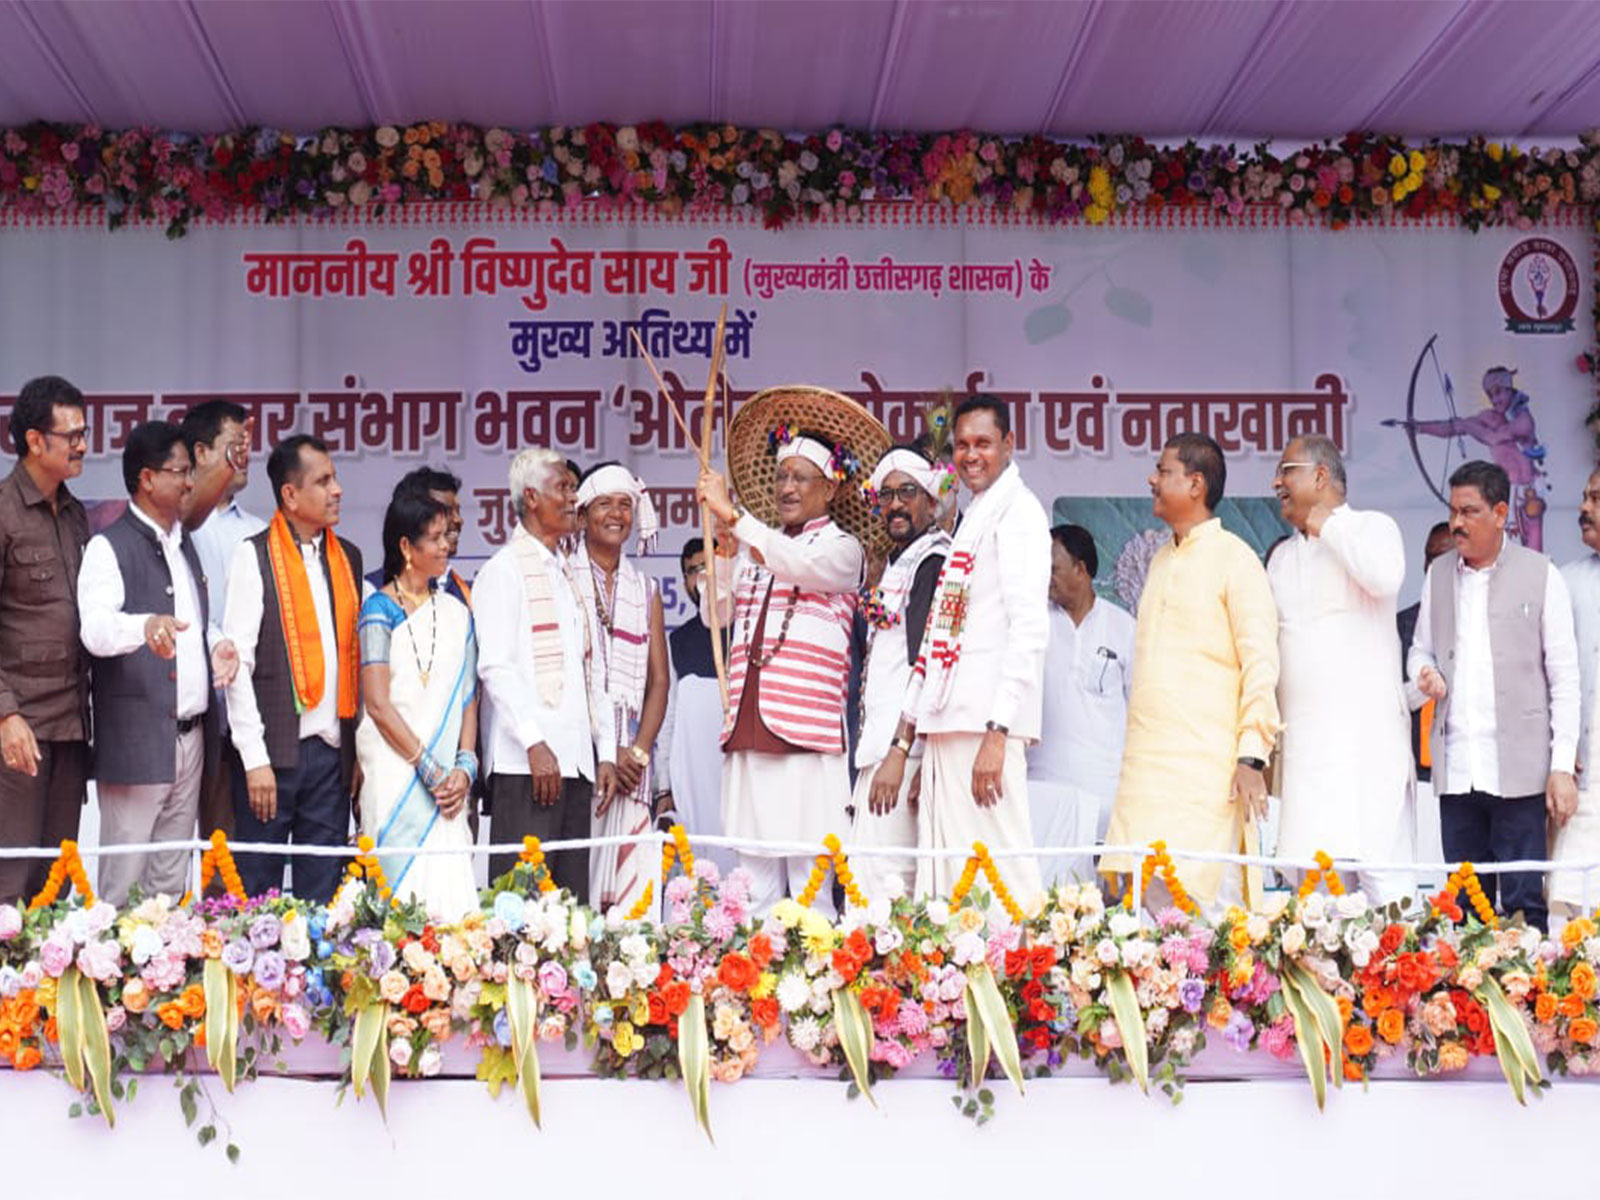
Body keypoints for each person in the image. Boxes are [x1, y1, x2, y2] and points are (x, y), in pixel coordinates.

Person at [1102, 432, 1281, 910]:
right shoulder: (1162, 558)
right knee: (1144, 924)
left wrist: (1251, 758)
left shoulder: (1236, 559)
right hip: (1146, 774)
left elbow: (1261, 664)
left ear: (1196, 484)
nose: (1152, 479)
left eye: (1163, 471)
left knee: (1206, 921)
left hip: (1206, 778)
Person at [697, 426, 864, 915]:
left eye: (801, 478)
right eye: (782, 476)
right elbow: (716, 615)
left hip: (806, 743)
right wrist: (722, 551)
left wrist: (736, 519)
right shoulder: (756, 549)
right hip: (751, 736)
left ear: (830, 488)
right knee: (756, 897)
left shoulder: (841, 548)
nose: (787, 488)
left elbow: (797, 564)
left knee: (812, 899)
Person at [892, 395, 1049, 906]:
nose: (971, 455)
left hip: (984, 727)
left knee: (1000, 878)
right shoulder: (979, 516)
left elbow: (1029, 629)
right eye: (961, 445)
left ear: (1009, 444)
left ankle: (1020, 979)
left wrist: (998, 732)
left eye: (983, 443)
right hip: (950, 723)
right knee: (951, 882)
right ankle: (960, 985)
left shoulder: (1018, 512)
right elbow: (943, 632)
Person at [1409, 460, 1578, 932]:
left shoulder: (1541, 575)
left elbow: (1564, 678)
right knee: (1463, 909)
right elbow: (1421, 646)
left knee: (1526, 907)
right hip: (1458, 770)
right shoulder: (1439, 574)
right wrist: (1423, 670)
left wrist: (1561, 766)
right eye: (1453, 511)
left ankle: (1529, 1005)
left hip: (1520, 775)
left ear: (1501, 512)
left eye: (1470, 511)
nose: (1457, 523)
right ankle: (1472, 1005)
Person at [78, 421, 239, 904]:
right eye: (181, 472)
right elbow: (95, 629)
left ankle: (164, 981)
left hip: (191, 740)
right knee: (124, 887)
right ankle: (109, 981)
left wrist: (216, 647)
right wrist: (143, 627)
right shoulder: (109, 547)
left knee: (170, 883)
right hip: (136, 741)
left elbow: (194, 624)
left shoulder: (182, 542)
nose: (190, 483)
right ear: (147, 478)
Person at [1267, 435, 1413, 904]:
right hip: (1308, 757)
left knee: (1388, 897)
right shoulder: (1283, 558)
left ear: (1320, 476)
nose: (1277, 483)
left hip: (1367, 754)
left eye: (1286, 470)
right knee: (1316, 905)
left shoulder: (1372, 528)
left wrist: (1325, 524)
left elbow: (1383, 577)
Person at [224, 435, 364, 902]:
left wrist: (357, 751)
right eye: (323, 481)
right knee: (257, 897)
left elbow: (354, 660)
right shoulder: (254, 554)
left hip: (330, 756)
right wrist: (255, 758)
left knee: (322, 898)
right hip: (272, 758)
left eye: (336, 478)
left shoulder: (348, 558)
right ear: (289, 495)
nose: (337, 489)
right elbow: (238, 665)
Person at [474, 447, 613, 895]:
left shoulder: (569, 574)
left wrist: (604, 750)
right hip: (526, 763)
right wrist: (534, 741)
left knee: (570, 908)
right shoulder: (504, 570)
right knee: (520, 908)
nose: (574, 498)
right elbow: (495, 667)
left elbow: (592, 669)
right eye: (563, 488)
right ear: (531, 498)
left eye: (573, 488)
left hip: (573, 761)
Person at [355, 491, 479, 920]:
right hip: (396, 778)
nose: (445, 546)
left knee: (453, 919)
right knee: (397, 922)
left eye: (446, 536)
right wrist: (427, 768)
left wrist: (464, 768)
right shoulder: (378, 609)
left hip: (449, 788)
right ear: (406, 547)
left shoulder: (457, 613)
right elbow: (377, 703)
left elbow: (467, 699)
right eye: (434, 538)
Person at [0, 377, 91, 903]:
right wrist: (6, 716)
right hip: (19, 730)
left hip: (71, 729)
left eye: (83, 432)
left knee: (54, 887)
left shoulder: (76, 514)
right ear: (36, 441)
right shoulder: (5, 511)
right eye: (71, 434)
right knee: (9, 884)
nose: (82, 444)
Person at [854, 445, 951, 899]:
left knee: (891, 891)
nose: (894, 504)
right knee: (869, 886)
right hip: (881, 750)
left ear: (931, 501)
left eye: (907, 492)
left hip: (903, 754)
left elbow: (928, 665)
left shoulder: (933, 561)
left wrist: (906, 755)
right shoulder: (899, 562)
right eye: (886, 494)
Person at [572, 463, 668, 912]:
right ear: (583, 512)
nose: (616, 514)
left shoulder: (644, 588)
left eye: (625, 505)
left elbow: (659, 681)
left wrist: (640, 751)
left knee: (632, 913)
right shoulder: (564, 578)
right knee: (577, 899)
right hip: (581, 760)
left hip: (632, 767)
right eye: (605, 504)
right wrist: (603, 752)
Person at [1026, 523, 1134, 888]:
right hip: (1042, 791)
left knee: (1100, 907)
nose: (1047, 577)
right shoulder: (1033, 625)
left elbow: (1139, 711)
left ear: (1082, 569)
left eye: (1053, 567)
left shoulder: (1123, 628)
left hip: (1105, 794)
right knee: (1042, 901)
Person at [179, 399, 261, 847]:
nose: (243, 457)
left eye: (246, 447)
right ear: (201, 452)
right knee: (166, 850)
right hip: (187, 709)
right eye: (233, 447)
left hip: (239, 714)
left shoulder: (260, 531)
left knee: (227, 852)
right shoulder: (178, 525)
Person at [1384, 366, 1547, 549]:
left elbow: (1492, 437)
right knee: (1501, 556)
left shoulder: (1523, 420)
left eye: (1499, 392)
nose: (1495, 399)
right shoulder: (1489, 417)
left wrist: (1466, 425)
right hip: (1504, 496)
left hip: (1527, 493)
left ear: (1509, 388)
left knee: (1533, 556)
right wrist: (1420, 428)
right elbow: (1453, 428)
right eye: (1490, 394)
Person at [657, 537, 733, 872]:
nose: (700, 577)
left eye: (707, 567)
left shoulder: (745, 632)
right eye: (692, 571)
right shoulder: (678, 641)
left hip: (735, 776)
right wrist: (664, 787)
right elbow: (669, 718)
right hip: (691, 778)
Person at [1553, 471, 1600, 912]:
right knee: (1570, 916)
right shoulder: (1564, 582)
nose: (1584, 509)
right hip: (1584, 785)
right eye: (1585, 497)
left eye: (1597, 499)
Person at [1398, 520, 1453, 881]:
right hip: (1415, 779)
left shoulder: (1481, 623)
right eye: (1430, 556)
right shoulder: (1401, 626)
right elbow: (1389, 701)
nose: (1436, 565)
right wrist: (1424, 687)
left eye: (1445, 556)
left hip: (1461, 778)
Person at [364, 467, 471, 605]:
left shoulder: (464, 592)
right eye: (446, 511)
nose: (458, 520)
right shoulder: (373, 590)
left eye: (458, 510)